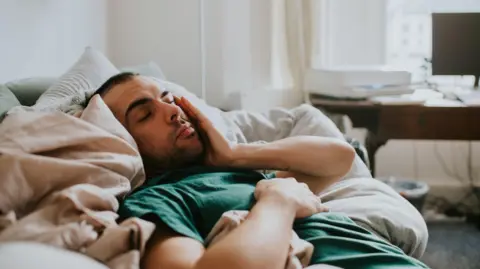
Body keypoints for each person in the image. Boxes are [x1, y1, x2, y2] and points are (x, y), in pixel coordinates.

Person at [93, 72, 429, 269]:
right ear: (123, 139)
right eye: (144, 114)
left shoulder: (237, 175)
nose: (171, 111)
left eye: (168, 98)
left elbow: (339, 159)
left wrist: (234, 154)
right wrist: (278, 202)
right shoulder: (157, 202)